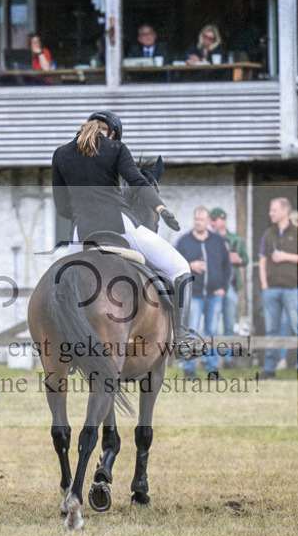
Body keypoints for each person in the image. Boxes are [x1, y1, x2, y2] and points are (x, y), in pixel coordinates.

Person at [51, 111, 203, 358]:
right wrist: (161, 208)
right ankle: (183, 338)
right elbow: (137, 182)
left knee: (57, 282)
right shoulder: (116, 148)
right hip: (121, 226)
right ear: (111, 132)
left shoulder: (61, 153)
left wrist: (85, 214)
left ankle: (57, 343)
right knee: (181, 269)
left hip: (82, 233)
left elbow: (62, 206)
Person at [259, 197, 298, 379]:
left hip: (294, 289)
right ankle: (269, 369)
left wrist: (286, 256)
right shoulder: (268, 233)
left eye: (273, 210)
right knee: (271, 330)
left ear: (284, 212)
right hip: (272, 289)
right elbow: (262, 260)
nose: (270, 213)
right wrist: (264, 286)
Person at [175, 207, 232, 380]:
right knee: (191, 331)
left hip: (214, 294)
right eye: (196, 219)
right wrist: (190, 265)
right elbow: (174, 264)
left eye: (202, 219)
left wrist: (223, 288)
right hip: (194, 295)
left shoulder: (217, 241)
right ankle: (189, 370)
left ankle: (212, 370)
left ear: (208, 221)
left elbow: (226, 266)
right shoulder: (184, 241)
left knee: (212, 331)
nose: (198, 222)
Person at [209, 207, 248, 368]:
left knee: (229, 324)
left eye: (215, 219)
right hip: (212, 287)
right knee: (211, 325)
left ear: (223, 220)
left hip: (230, 286)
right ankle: (209, 359)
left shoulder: (236, 239)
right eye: (211, 220)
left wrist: (237, 259)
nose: (212, 223)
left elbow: (245, 260)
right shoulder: (208, 238)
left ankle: (229, 360)